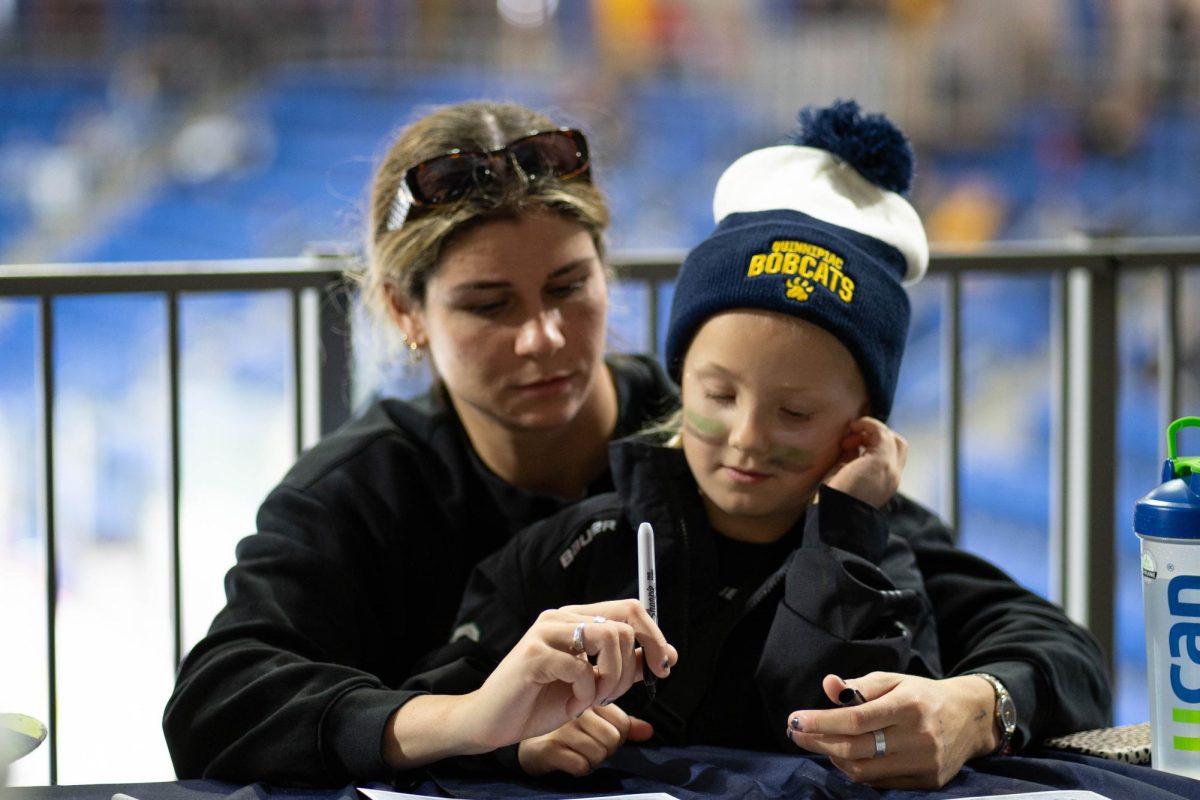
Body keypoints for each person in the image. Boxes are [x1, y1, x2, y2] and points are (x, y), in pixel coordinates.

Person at [410, 101, 1112, 790]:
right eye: (718, 396)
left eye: (796, 412)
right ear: (680, 382)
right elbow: (446, 696)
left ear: (862, 425)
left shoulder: (886, 556)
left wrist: (848, 546)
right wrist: (517, 739)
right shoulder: (580, 540)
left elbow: (834, 716)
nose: (747, 438)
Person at [162, 100, 678, 787]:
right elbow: (215, 708)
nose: (543, 337)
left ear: (604, 272)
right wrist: (470, 720)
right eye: (489, 305)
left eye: (568, 286)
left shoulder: (709, 440)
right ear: (406, 311)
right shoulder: (361, 487)